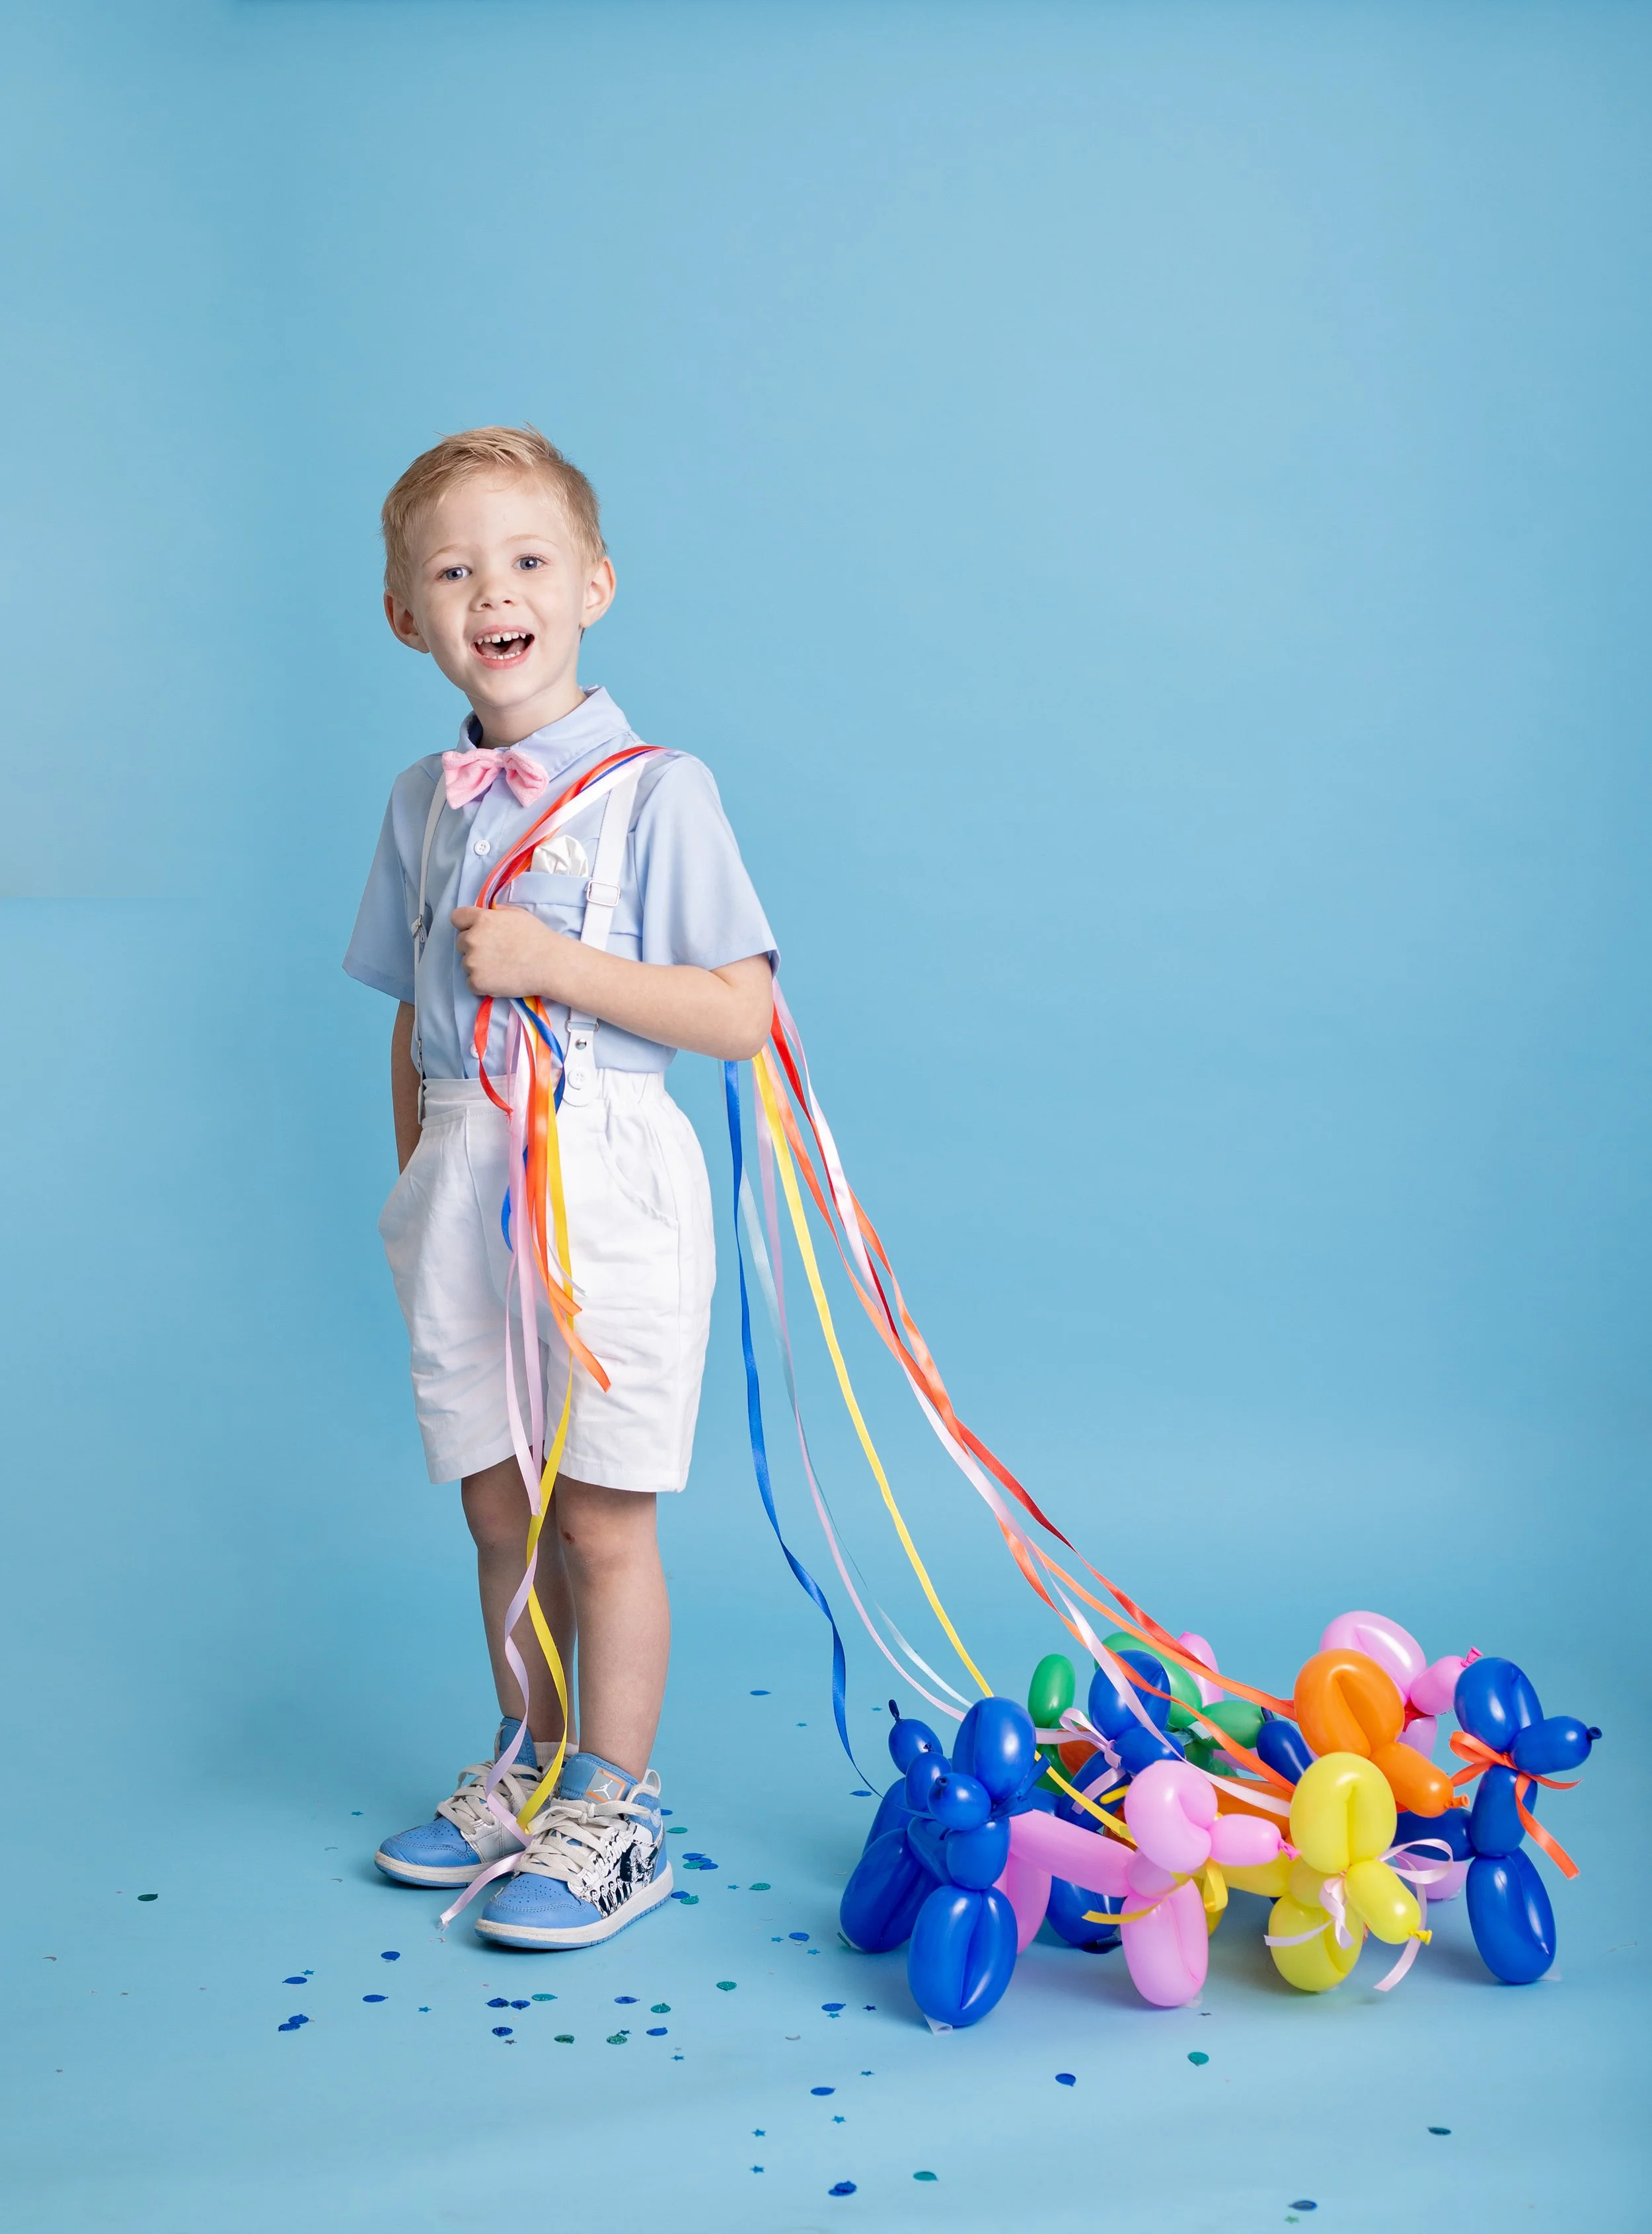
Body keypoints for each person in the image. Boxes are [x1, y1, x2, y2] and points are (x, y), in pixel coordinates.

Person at [343, 426, 775, 1947]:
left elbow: (739, 1014)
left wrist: (559, 965)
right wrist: (423, 1182)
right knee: (496, 1510)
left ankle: (612, 1805)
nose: (491, 592)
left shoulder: (659, 792)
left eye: (526, 561)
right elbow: (412, 1007)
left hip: (604, 1173)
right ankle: (525, 1763)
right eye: (452, 570)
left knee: (599, 1516)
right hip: (464, 1171)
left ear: (591, 584)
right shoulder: (422, 799)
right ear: (408, 613)